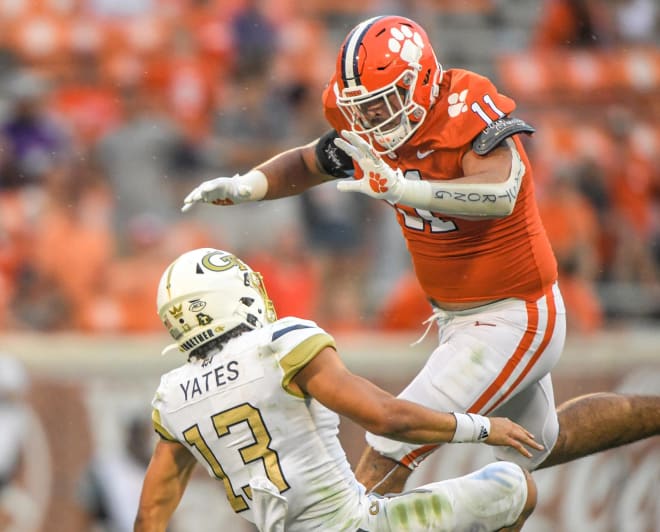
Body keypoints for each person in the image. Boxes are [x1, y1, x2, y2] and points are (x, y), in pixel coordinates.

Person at [180, 15, 660, 494]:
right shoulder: (368, 125)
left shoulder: (465, 104)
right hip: (460, 316)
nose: (372, 120)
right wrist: (248, 185)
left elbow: (502, 191)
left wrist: (408, 188)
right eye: (363, 108)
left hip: (515, 315)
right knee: (543, 443)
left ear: (422, 81)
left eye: (384, 103)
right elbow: (310, 162)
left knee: (392, 442)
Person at [135, 247, 541, 532]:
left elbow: (149, 515)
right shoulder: (279, 345)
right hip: (355, 525)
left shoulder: (173, 396)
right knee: (514, 486)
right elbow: (386, 418)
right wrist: (481, 428)